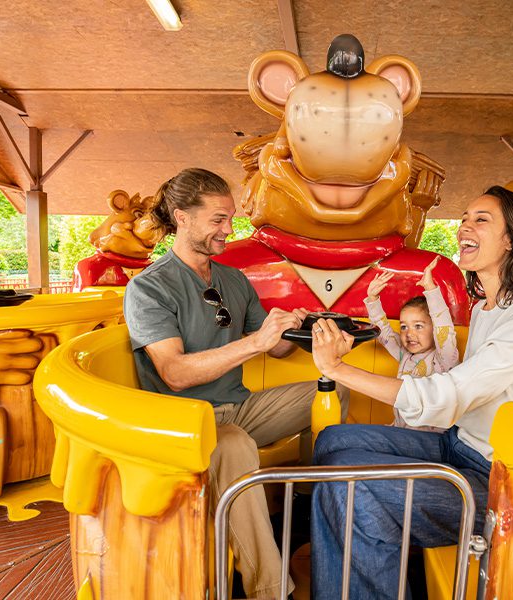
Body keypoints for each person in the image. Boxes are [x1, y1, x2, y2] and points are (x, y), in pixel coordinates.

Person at [309, 185, 513, 600]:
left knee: (348, 486)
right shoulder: (489, 307)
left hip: (500, 482)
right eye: (465, 218)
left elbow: (443, 396)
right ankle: (368, 556)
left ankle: (364, 553)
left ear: (511, 240)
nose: (463, 226)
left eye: (480, 220)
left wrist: (336, 368)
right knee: (333, 441)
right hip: (458, 444)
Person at [124, 168, 343, 600]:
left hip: (238, 410)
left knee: (329, 393)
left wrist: (308, 331)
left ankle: (311, 511)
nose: (230, 229)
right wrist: (254, 342)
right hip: (186, 423)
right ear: (182, 218)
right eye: (218, 219)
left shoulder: (233, 279)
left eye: (231, 218)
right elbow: (175, 373)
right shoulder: (149, 287)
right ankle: (269, 589)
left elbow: (275, 349)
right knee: (234, 444)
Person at [364, 255, 459, 432]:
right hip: (402, 430)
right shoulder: (404, 355)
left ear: (433, 328)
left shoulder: (443, 359)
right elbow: (383, 331)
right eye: (404, 327)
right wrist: (372, 299)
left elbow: (443, 326)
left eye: (418, 326)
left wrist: (431, 289)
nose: (409, 334)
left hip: (431, 438)